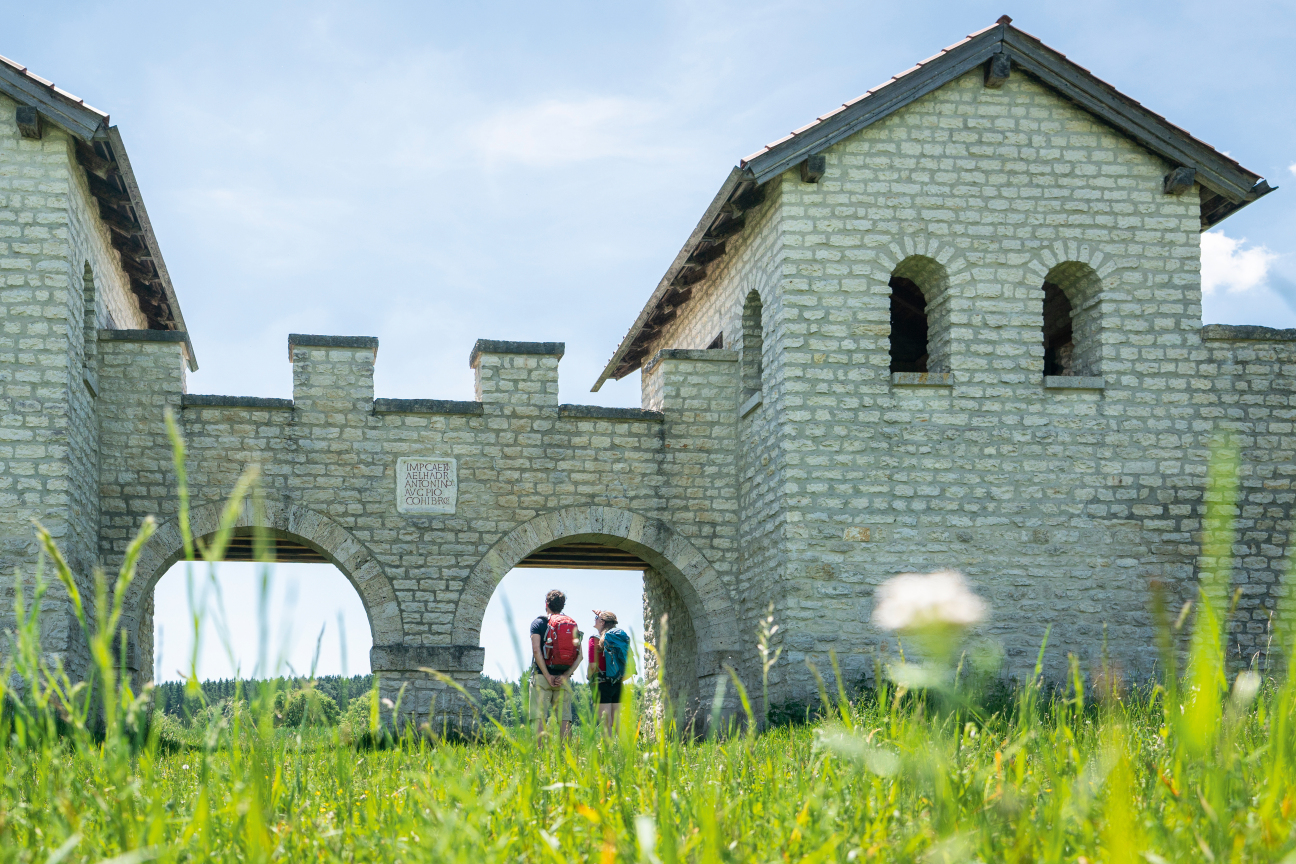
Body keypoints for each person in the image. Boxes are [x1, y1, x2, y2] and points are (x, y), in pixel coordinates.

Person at [529, 589, 579, 741]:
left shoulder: (538, 623)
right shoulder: (571, 624)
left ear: (546, 604)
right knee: (564, 718)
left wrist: (547, 675)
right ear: (562, 605)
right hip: (563, 678)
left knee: (539, 716)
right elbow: (580, 655)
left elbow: (537, 650)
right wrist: (564, 676)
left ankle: (539, 756)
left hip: (542, 677)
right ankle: (567, 755)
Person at [588, 609, 630, 735]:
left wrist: (589, 678)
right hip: (618, 683)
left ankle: (608, 754)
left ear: (602, 622)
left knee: (605, 723)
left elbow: (592, 666)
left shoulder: (594, 640)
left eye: (597, 618)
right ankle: (627, 752)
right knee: (617, 721)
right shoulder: (619, 639)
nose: (594, 619)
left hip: (601, 684)